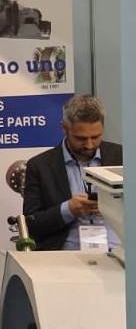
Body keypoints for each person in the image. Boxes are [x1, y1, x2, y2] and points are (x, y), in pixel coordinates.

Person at [23, 94, 122, 250]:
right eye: (80, 138)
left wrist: (114, 208)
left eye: (96, 137)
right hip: (66, 253)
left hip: (120, 251)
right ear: (64, 128)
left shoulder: (123, 157)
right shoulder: (40, 166)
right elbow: (31, 224)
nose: (89, 145)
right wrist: (68, 210)